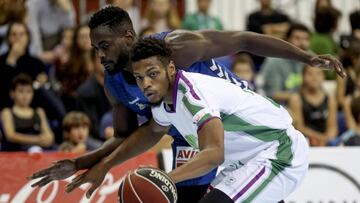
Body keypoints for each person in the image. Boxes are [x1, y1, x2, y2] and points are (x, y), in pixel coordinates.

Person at [29, 6, 345, 201]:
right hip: (197, 139)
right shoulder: (118, 83)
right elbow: (141, 133)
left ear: (128, 37)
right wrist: (90, 164)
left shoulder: (179, 52)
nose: (99, 55)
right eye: (95, 47)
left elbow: (244, 40)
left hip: (241, 127)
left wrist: (307, 58)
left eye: (105, 45)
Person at [129, 38, 309, 202]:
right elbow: (151, 132)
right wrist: (107, 163)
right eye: (139, 78)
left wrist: (166, 178)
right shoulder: (161, 104)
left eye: (152, 74)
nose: (145, 84)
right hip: (243, 163)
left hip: (278, 150)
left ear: (170, 69)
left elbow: (214, 154)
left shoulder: (194, 96)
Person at [1, 74, 54, 151]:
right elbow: (10, 136)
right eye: (21, 91)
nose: (25, 96)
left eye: (28, 92)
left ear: (33, 94)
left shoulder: (39, 111)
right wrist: (37, 140)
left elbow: (49, 135)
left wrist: (47, 140)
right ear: (12, 94)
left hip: (39, 150)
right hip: (16, 151)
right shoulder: (7, 112)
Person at [261, 23, 311, 105]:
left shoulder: (312, 59)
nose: (302, 43)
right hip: (281, 108)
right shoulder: (274, 61)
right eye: (297, 38)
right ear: (287, 40)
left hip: (306, 106)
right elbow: (273, 94)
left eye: (306, 39)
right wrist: (300, 97)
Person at [289, 65, 338, 146]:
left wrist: (328, 140)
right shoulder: (296, 99)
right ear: (303, 76)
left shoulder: (330, 99)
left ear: (323, 76)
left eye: (318, 73)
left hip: (325, 141)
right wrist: (321, 138)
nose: (314, 77)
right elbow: (299, 127)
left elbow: (333, 127)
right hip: (304, 141)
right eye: (310, 73)